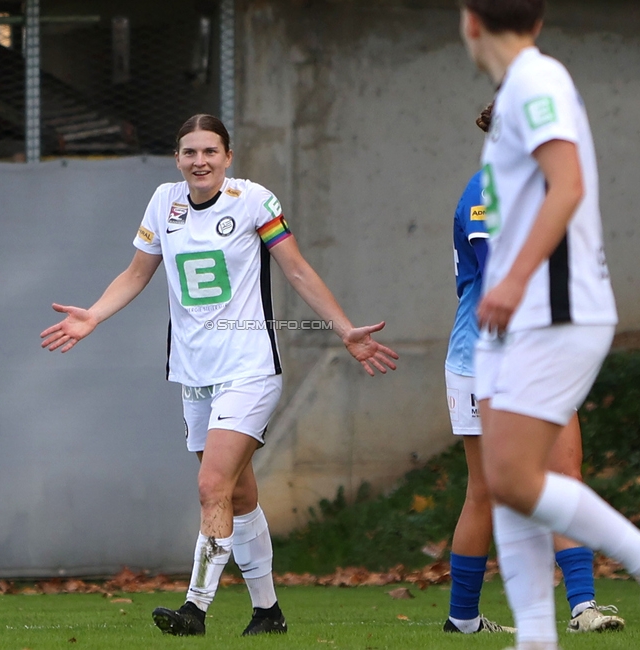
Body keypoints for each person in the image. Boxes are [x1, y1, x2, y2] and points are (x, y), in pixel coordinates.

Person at [40, 114, 398, 638]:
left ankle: (195, 610)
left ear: (228, 157)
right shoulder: (165, 202)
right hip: (194, 374)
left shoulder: (254, 200)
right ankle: (268, 612)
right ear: (178, 159)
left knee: (211, 486)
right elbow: (138, 272)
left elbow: (296, 269)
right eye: (190, 152)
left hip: (250, 368)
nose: (200, 161)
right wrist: (93, 314)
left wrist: (345, 330)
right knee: (238, 495)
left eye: (210, 151)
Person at [458, 3, 640, 650]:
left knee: (512, 478)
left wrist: (509, 281)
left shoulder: (538, 80)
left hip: (554, 309)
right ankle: (536, 637)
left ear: (471, 22)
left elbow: (567, 187)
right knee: (509, 485)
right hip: (517, 316)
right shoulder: (516, 92)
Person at [444, 103, 624, 635]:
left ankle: (583, 608)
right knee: (485, 491)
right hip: (484, 358)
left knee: (566, 478)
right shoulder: (485, 192)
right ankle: (463, 619)